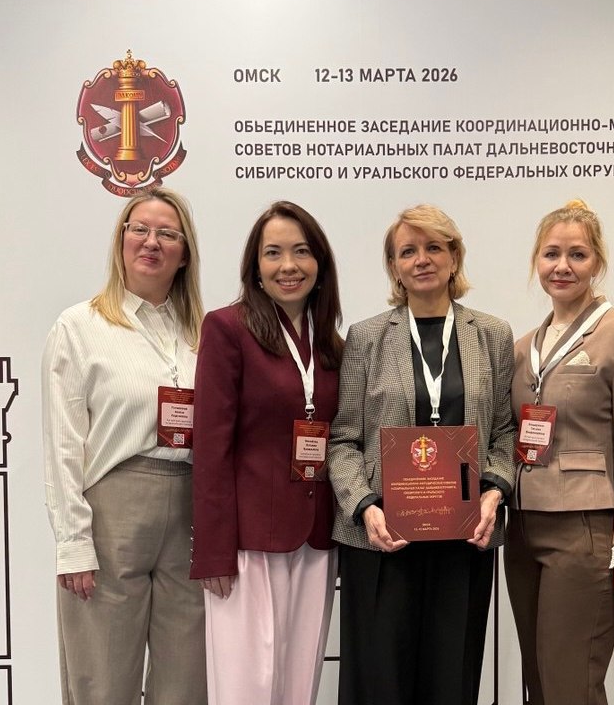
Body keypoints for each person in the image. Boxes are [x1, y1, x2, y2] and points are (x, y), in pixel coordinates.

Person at [328, 204, 515, 705]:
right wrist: (364, 506)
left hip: (464, 537)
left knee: (451, 681)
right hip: (382, 537)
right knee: (380, 684)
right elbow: (343, 439)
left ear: (455, 258)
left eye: (434, 247)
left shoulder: (492, 334)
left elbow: (504, 431)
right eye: (407, 251)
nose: (422, 259)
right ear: (394, 266)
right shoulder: (367, 337)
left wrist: (494, 493)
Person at [41, 187, 206, 705]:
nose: (151, 242)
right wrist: (73, 542)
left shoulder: (206, 334)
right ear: (121, 240)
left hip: (192, 510)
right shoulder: (80, 327)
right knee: (103, 679)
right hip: (112, 510)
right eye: (140, 229)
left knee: (188, 683)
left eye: (167, 234)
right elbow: (63, 444)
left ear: (184, 253)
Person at [505, 199, 614, 705]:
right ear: (536, 261)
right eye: (551, 254)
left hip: (585, 528)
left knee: (571, 686)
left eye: (578, 254)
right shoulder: (522, 347)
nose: (562, 266)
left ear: (598, 263)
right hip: (522, 527)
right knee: (540, 685)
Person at [190, 201, 343, 705]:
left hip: (316, 538)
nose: (288, 266)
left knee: (299, 686)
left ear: (320, 264)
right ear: (255, 267)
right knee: (247, 687)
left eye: (301, 251)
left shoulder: (333, 346)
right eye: (273, 252)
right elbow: (211, 448)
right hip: (246, 544)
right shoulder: (227, 329)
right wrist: (213, 550)